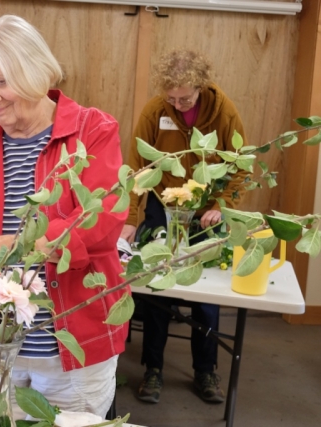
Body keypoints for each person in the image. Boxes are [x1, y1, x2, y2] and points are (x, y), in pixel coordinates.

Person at [0, 15, 128, 416]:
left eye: (2, 82)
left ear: (36, 72)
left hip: (68, 356)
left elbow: (99, 226)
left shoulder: (93, 132)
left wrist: (3, 246)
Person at [121, 49, 249, 404]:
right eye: (171, 98)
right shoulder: (154, 111)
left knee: (206, 294)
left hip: (206, 208)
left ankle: (206, 369)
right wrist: (131, 220)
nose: (177, 105)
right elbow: (136, 168)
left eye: (186, 98)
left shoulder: (224, 111)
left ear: (201, 87)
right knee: (160, 288)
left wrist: (220, 206)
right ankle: (154, 369)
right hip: (164, 207)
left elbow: (239, 166)